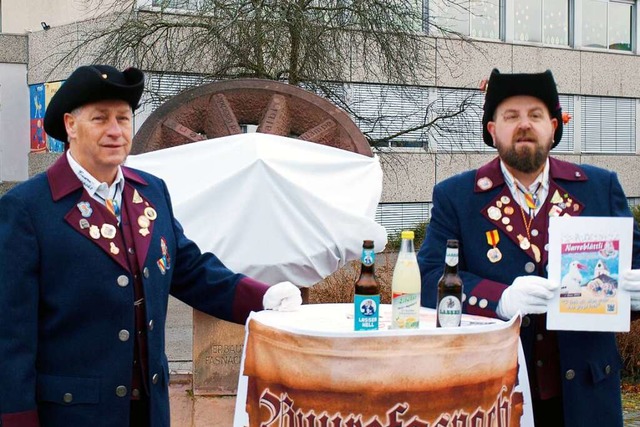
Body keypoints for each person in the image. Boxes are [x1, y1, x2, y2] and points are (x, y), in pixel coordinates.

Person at [0, 65, 302, 427]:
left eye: (123, 119)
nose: (116, 131)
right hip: (71, 415)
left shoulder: (152, 191)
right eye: (100, 119)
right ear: (70, 125)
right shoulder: (27, 208)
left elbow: (189, 269)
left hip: (150, 412)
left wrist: (262, 298)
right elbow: (11, 336)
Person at [417, 68, 640, 427]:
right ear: (493, 130)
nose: (524, 125)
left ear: (553, 126)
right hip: (494, 395)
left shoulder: (600, 187)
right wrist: (498, 299)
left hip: (587, 397)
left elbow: (634, 265)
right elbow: (427, 279)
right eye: (511, 116)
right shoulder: (456, 196)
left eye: (535, 115)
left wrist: (636, 292)